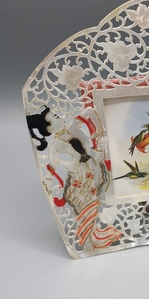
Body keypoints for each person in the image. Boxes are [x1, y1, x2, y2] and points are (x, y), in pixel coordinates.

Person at [26, 106, 121, 249]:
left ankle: (91, 238)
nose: (61, 118)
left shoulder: (73, 126)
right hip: (79, 180)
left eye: (58, 115)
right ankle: (88, 238)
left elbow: (89, 111)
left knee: (94, 204)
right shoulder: (54, 146)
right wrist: (47, 181)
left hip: (93, 171)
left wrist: (98, 132)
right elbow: (51, 167)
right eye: (56, 118)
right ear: (50, 129)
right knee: (83, 207)